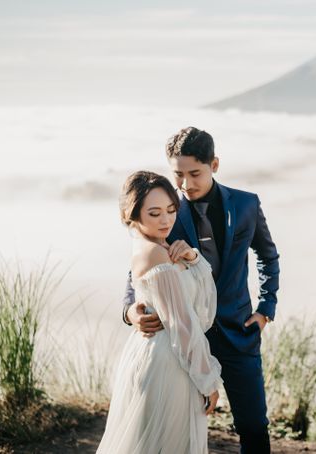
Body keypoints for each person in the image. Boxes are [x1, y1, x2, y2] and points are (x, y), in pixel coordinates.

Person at [123, 127, 280, 453]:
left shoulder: (246, 204)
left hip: (239, 331)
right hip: (183, 341)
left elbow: (267, 255)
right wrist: (129, 311)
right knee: (180, 427)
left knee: (253, 426)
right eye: (177, 174)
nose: (185, 184)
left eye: (194, 173)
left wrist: (266, 308)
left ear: (215, 164)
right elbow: (136, 271)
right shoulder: (167, 212)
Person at [98, 171, 222, 454]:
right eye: (154, 213)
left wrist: (192, 257)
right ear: (133, 215)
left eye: (170, 210)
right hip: (168, 361)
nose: (166, 220)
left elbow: (195, 306)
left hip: (160, 353)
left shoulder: (158, 245)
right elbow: (184, 324)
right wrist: (208, 381)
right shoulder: (154, 253)